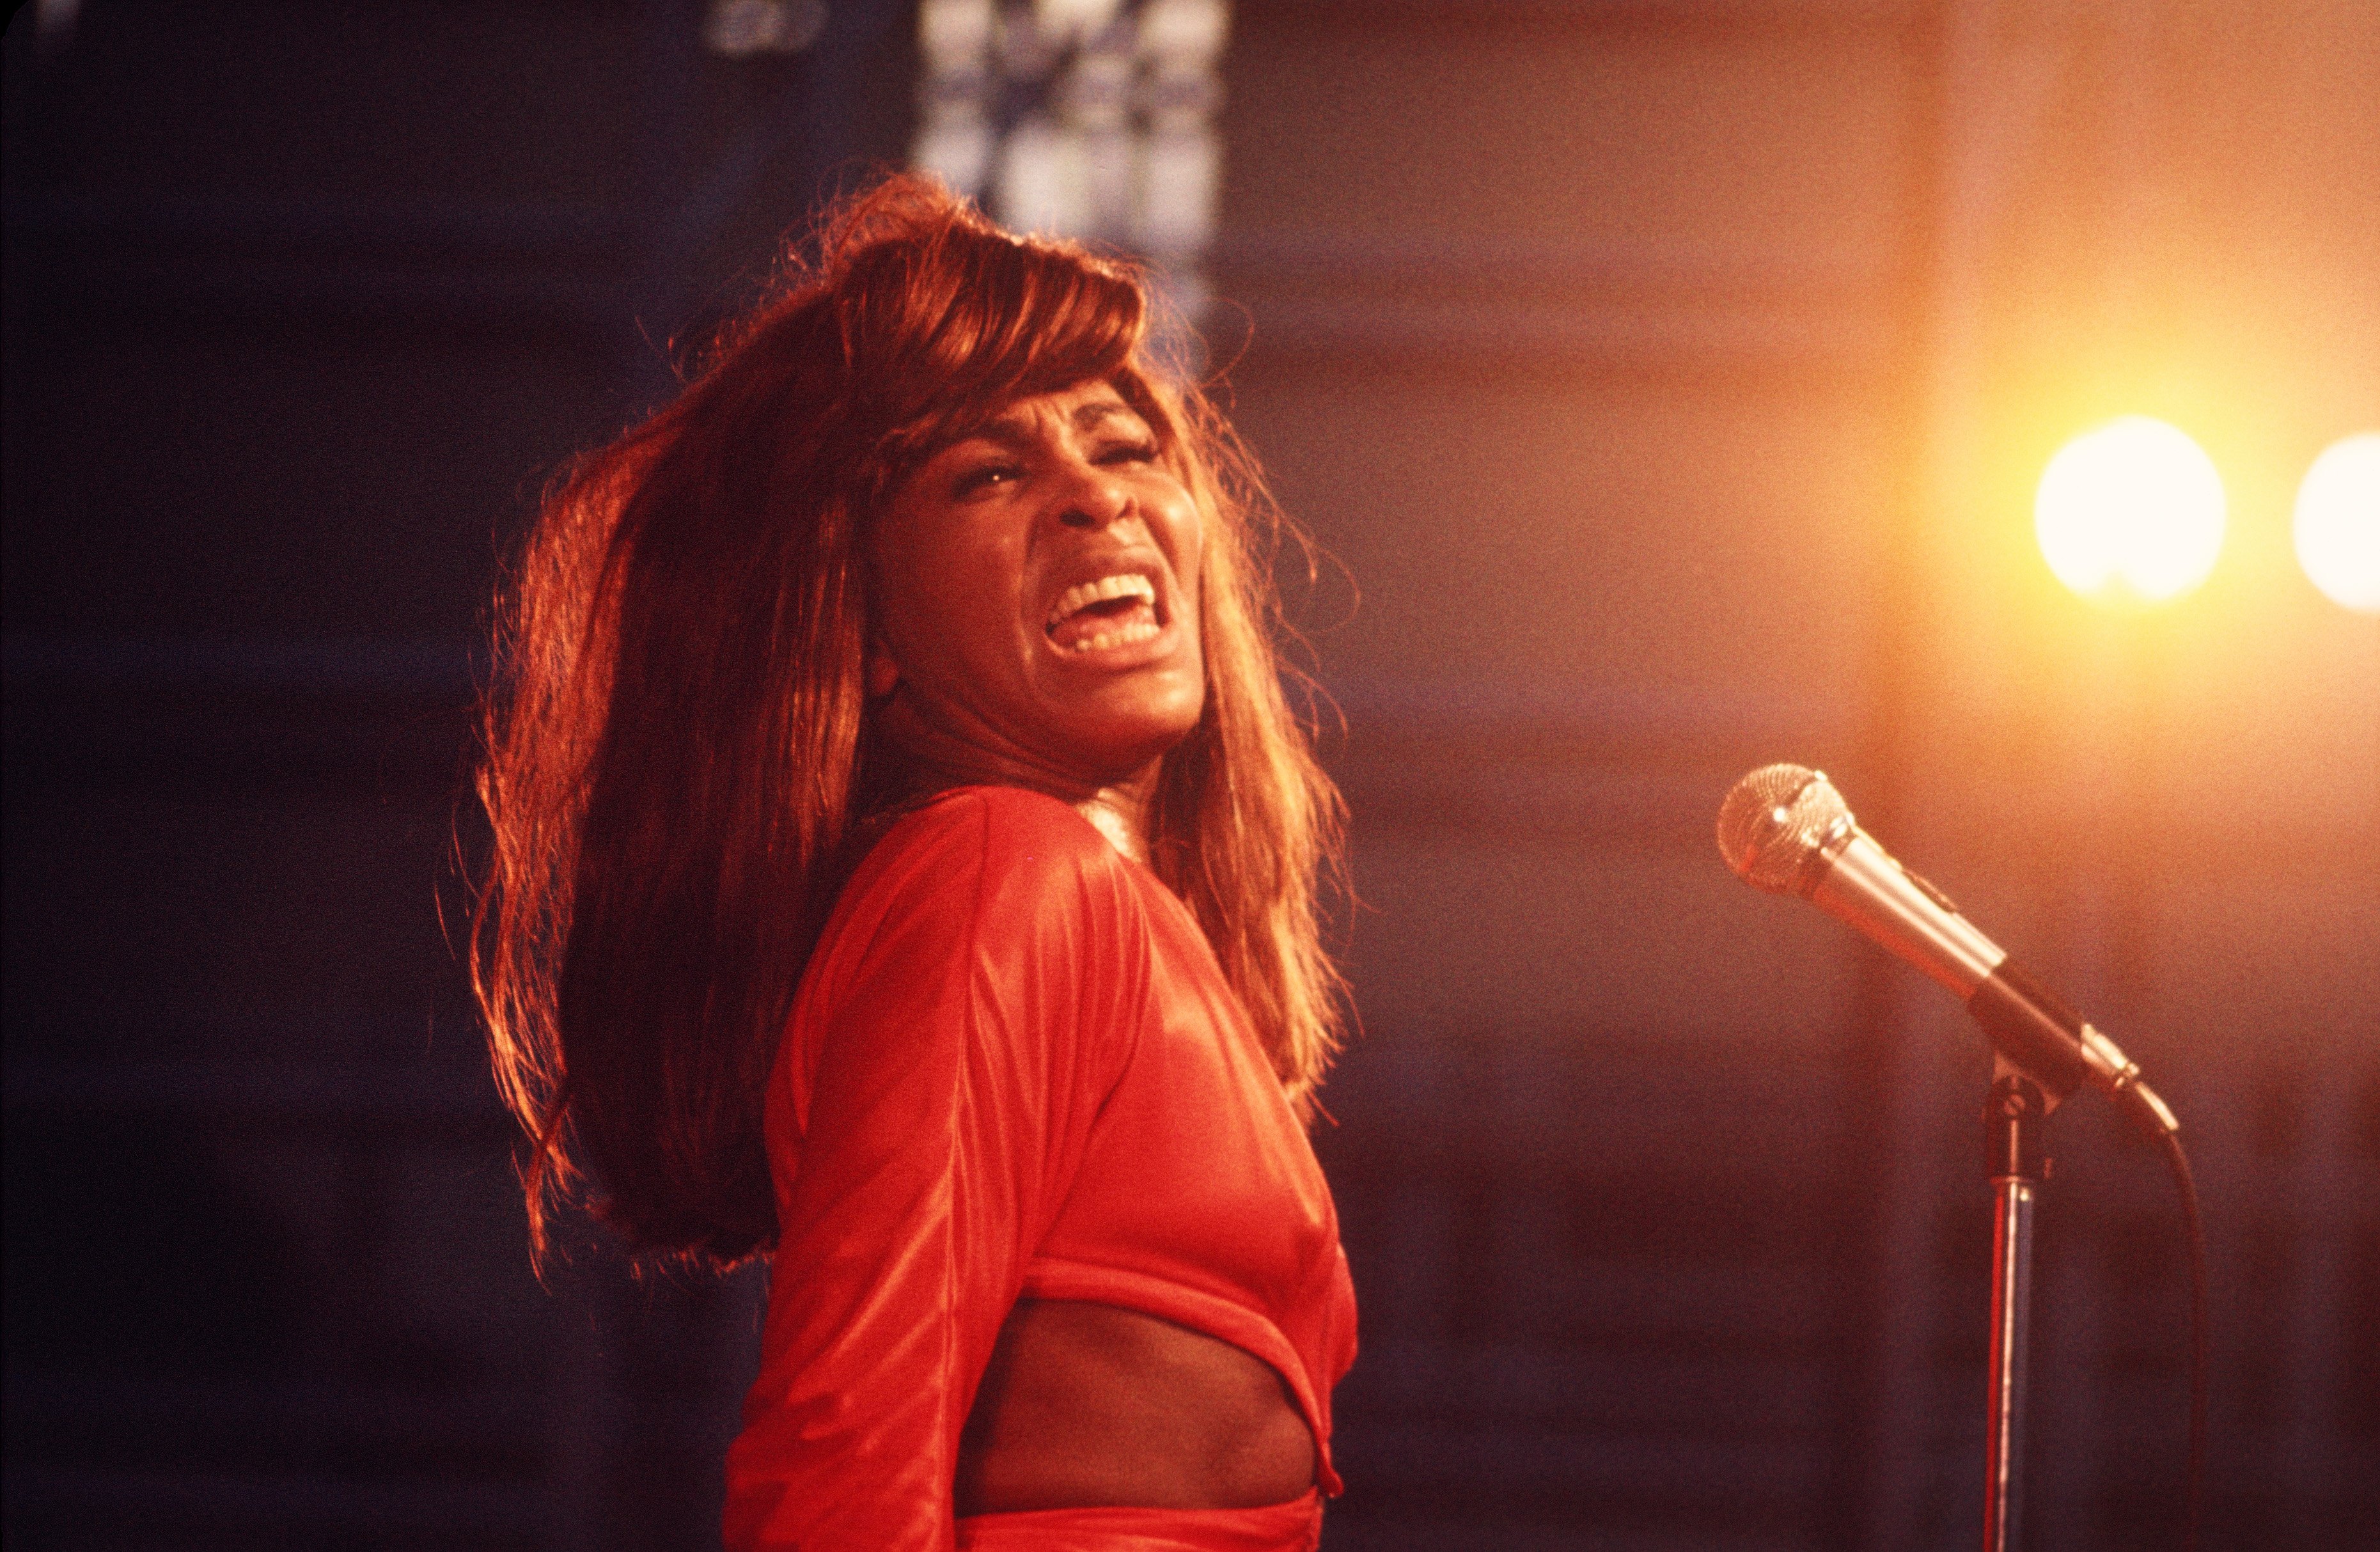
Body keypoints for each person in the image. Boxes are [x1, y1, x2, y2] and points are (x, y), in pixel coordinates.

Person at [472, 173, 1357, 1551]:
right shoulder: (1003, 871)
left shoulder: (1093, 900)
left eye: (1126, 448)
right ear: (862, 622)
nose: (1092, 499)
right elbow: (843, 1443)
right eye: (991, 472)